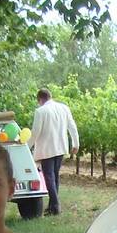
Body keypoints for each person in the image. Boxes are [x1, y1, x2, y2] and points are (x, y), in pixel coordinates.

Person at [27, 87, 79, 216]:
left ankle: (55, 205)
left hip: (47, 148)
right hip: (61, 147)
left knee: (49, 177)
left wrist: (27, 146)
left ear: (40, 99)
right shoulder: (64, 108)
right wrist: (76, 143)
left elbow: (35, 132)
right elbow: (72, 126)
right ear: (50, 96)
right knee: (54, 176)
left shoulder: (41, 111)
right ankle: (52, 206)